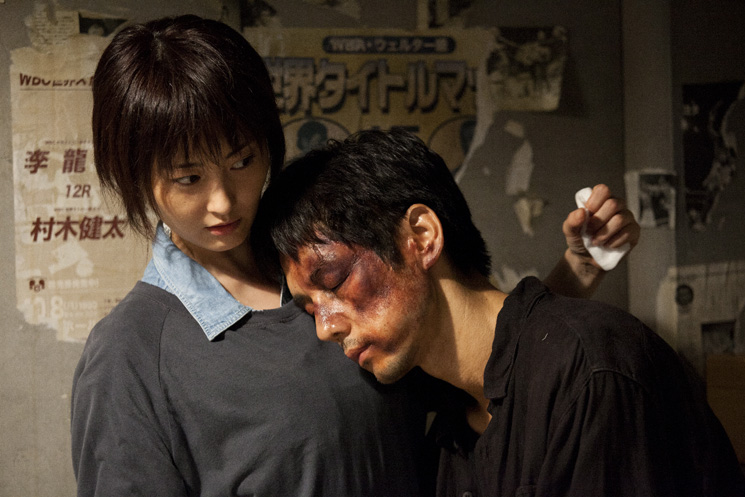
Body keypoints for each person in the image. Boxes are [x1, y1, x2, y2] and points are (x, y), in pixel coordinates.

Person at [70, 14, 638, 497]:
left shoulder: (328, 267)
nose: (223, 201)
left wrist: (577, 271)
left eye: (242, 161)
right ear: (137, 178)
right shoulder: (130, 353)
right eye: (188, 178)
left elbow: (489, 368)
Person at [253, 128, 745, 497]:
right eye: (310, 309)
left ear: (421, 237)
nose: (325, 327)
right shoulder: (448, 427)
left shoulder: (590, 371)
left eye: (334, 281)